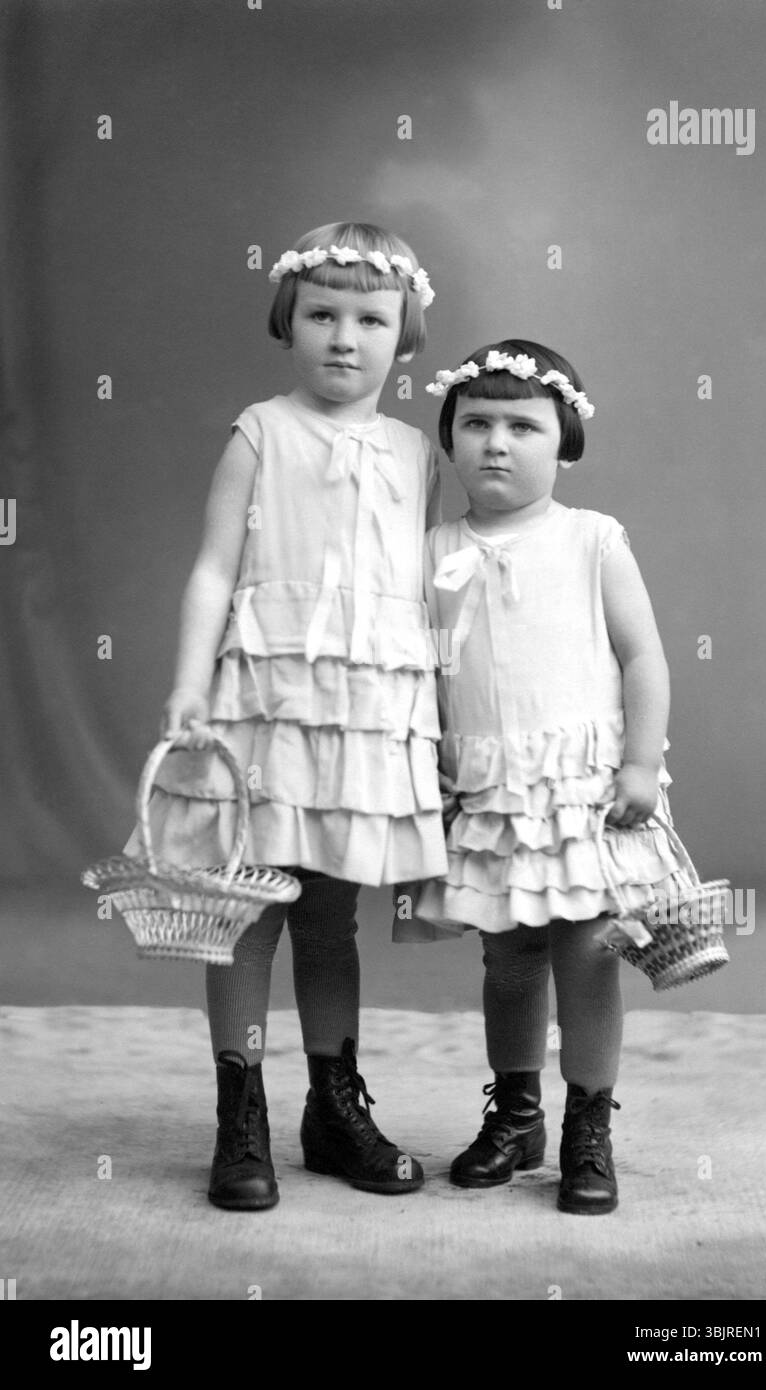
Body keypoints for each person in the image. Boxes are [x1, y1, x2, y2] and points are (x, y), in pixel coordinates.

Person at [124, 222, 448, 1209]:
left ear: (403, 336)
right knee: (247, 903)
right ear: (286, 321)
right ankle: (241, 1109)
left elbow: (439, 584)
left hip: (367, 705)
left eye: (369, 318)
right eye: (321, 314)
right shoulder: (260, 430)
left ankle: (332, 1102)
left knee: (329, 917)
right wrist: (188, 686)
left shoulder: (412, 449)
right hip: (263, 698)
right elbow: (215, 568)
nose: (344, 337)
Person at [400, 340, 685, 1215]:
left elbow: (643, 656)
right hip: (485, 791)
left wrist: (642, 759)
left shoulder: (591, 539)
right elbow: (416, 668)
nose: (497, 442)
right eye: (476, 423)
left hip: (583, 788)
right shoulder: (434, 549)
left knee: (587, 954)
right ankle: (516, 1115)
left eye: (523, 425)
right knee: (509, 958)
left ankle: (587, 1126)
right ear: (449, 440)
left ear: (563, 443)